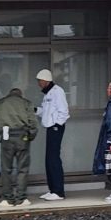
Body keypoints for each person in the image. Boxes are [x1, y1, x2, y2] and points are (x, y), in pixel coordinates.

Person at [0, 87, 38, 208]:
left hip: (6, 136)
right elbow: (33, 123)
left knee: (6, 169)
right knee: (22, 168)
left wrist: (2, 126)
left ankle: (7, 199)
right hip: (22, 137)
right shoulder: (26, 103)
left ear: (9, 94)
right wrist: (30, 136)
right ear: (20, 95)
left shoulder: (1, 103)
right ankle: (21, 198)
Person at [34, 68, 69, 201]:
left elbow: (63, 111)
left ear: (46, 80)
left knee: (54, 159)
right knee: (49, 159)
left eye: (40, 81)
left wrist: (57, 124)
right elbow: (45, 111)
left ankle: (59, 191)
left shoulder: (57, 91)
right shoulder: (47, 93)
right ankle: (52, 189)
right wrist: (35, 110)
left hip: (55, 128)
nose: (39, 83)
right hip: (50, 127)